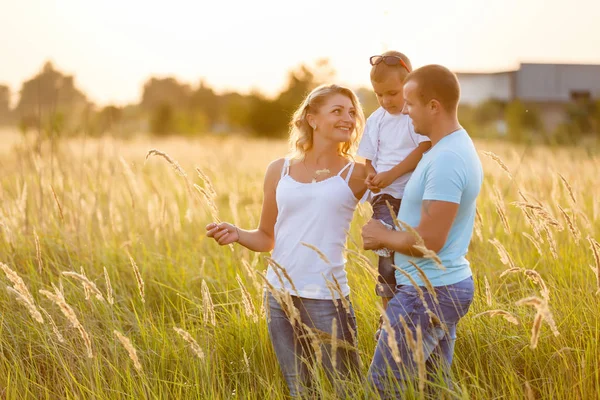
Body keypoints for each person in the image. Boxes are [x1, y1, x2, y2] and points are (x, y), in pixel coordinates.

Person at [206, 84, 368, 397]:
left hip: (328, 300)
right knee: (300, 391)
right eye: (338, 111)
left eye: (352, 113)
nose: (348, 118)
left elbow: (401, 205)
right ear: (312, 118)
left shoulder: (358, 173)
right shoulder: (279, 170)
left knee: (345, 391)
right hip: (279, 297)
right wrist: (238, 233)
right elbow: (267, 237)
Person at [361, 64, 483, 397]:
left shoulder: (447, 159)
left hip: (428, 292)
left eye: (411, 103)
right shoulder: (448, 148)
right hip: (436, 287)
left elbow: (429, 241)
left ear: (434, 106)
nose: (405, 110)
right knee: (432, 390)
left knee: (383, 389)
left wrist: (380, 235)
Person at [358, 51, 431, 312]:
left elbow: (423, 149)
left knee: (413, 252)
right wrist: (372, 174)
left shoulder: (414, 116)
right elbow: (368, 157)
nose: (386, 101)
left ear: (410, 85)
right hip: (386, 196)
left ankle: (416, 303)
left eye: (392, 93)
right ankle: (388, 312)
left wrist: (393, 174)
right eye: (379, 95)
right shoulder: (376, 120)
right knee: (387, 253)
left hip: (412, 194)